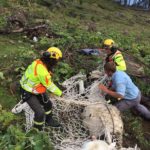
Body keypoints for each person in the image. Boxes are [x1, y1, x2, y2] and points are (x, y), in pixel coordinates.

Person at [20, 47, 63, 130]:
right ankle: (37, 130)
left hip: (36, 89)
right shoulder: (42, 71)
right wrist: (60, 93)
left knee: (48, 104)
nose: (57, 63)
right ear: (52, 59)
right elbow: (49, 85)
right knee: (40, 113)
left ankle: (49, 121)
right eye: (57, 60)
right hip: (27, 91)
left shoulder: (40, 62)